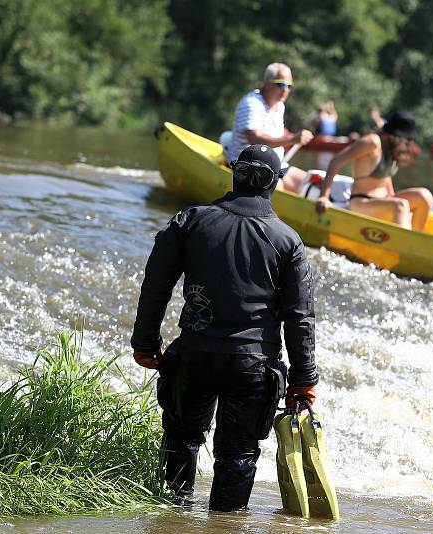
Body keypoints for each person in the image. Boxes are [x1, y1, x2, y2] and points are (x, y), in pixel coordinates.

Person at [130, 144, 318, 511]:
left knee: (182, 440)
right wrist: (303, 379)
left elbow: (155, 285)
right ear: (275, 184)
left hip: (195, 354)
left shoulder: (190, 220)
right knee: (238, 456)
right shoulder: (287, 240)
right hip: (254, 366)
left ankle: (172, 518)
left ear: (233, 172)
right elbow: (300, 316)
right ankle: (225, 522)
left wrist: (145, 341)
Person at [314, 110, 433, 230]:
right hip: (361, 203)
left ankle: (416, 240)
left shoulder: (392, 148)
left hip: (384, 201)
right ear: (394, 135)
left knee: (424, 195)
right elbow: (336, 161)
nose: (408, 142)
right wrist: (324, 196)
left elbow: (385, 176)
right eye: (406, 138)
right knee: (401, 205)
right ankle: (403, 245)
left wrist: (391, 199)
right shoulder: (372, 142)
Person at [226, 63, 314, 193]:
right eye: (280, 84)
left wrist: (295, 137)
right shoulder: (251, 103)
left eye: (289, 86)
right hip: (249, 165)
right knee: (278, 187)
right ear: (267, 83)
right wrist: (291, 139)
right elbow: (255, 140)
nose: (285, 90)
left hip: (275, 165)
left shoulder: (280, 106)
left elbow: (276, 133)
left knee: (311, 184)